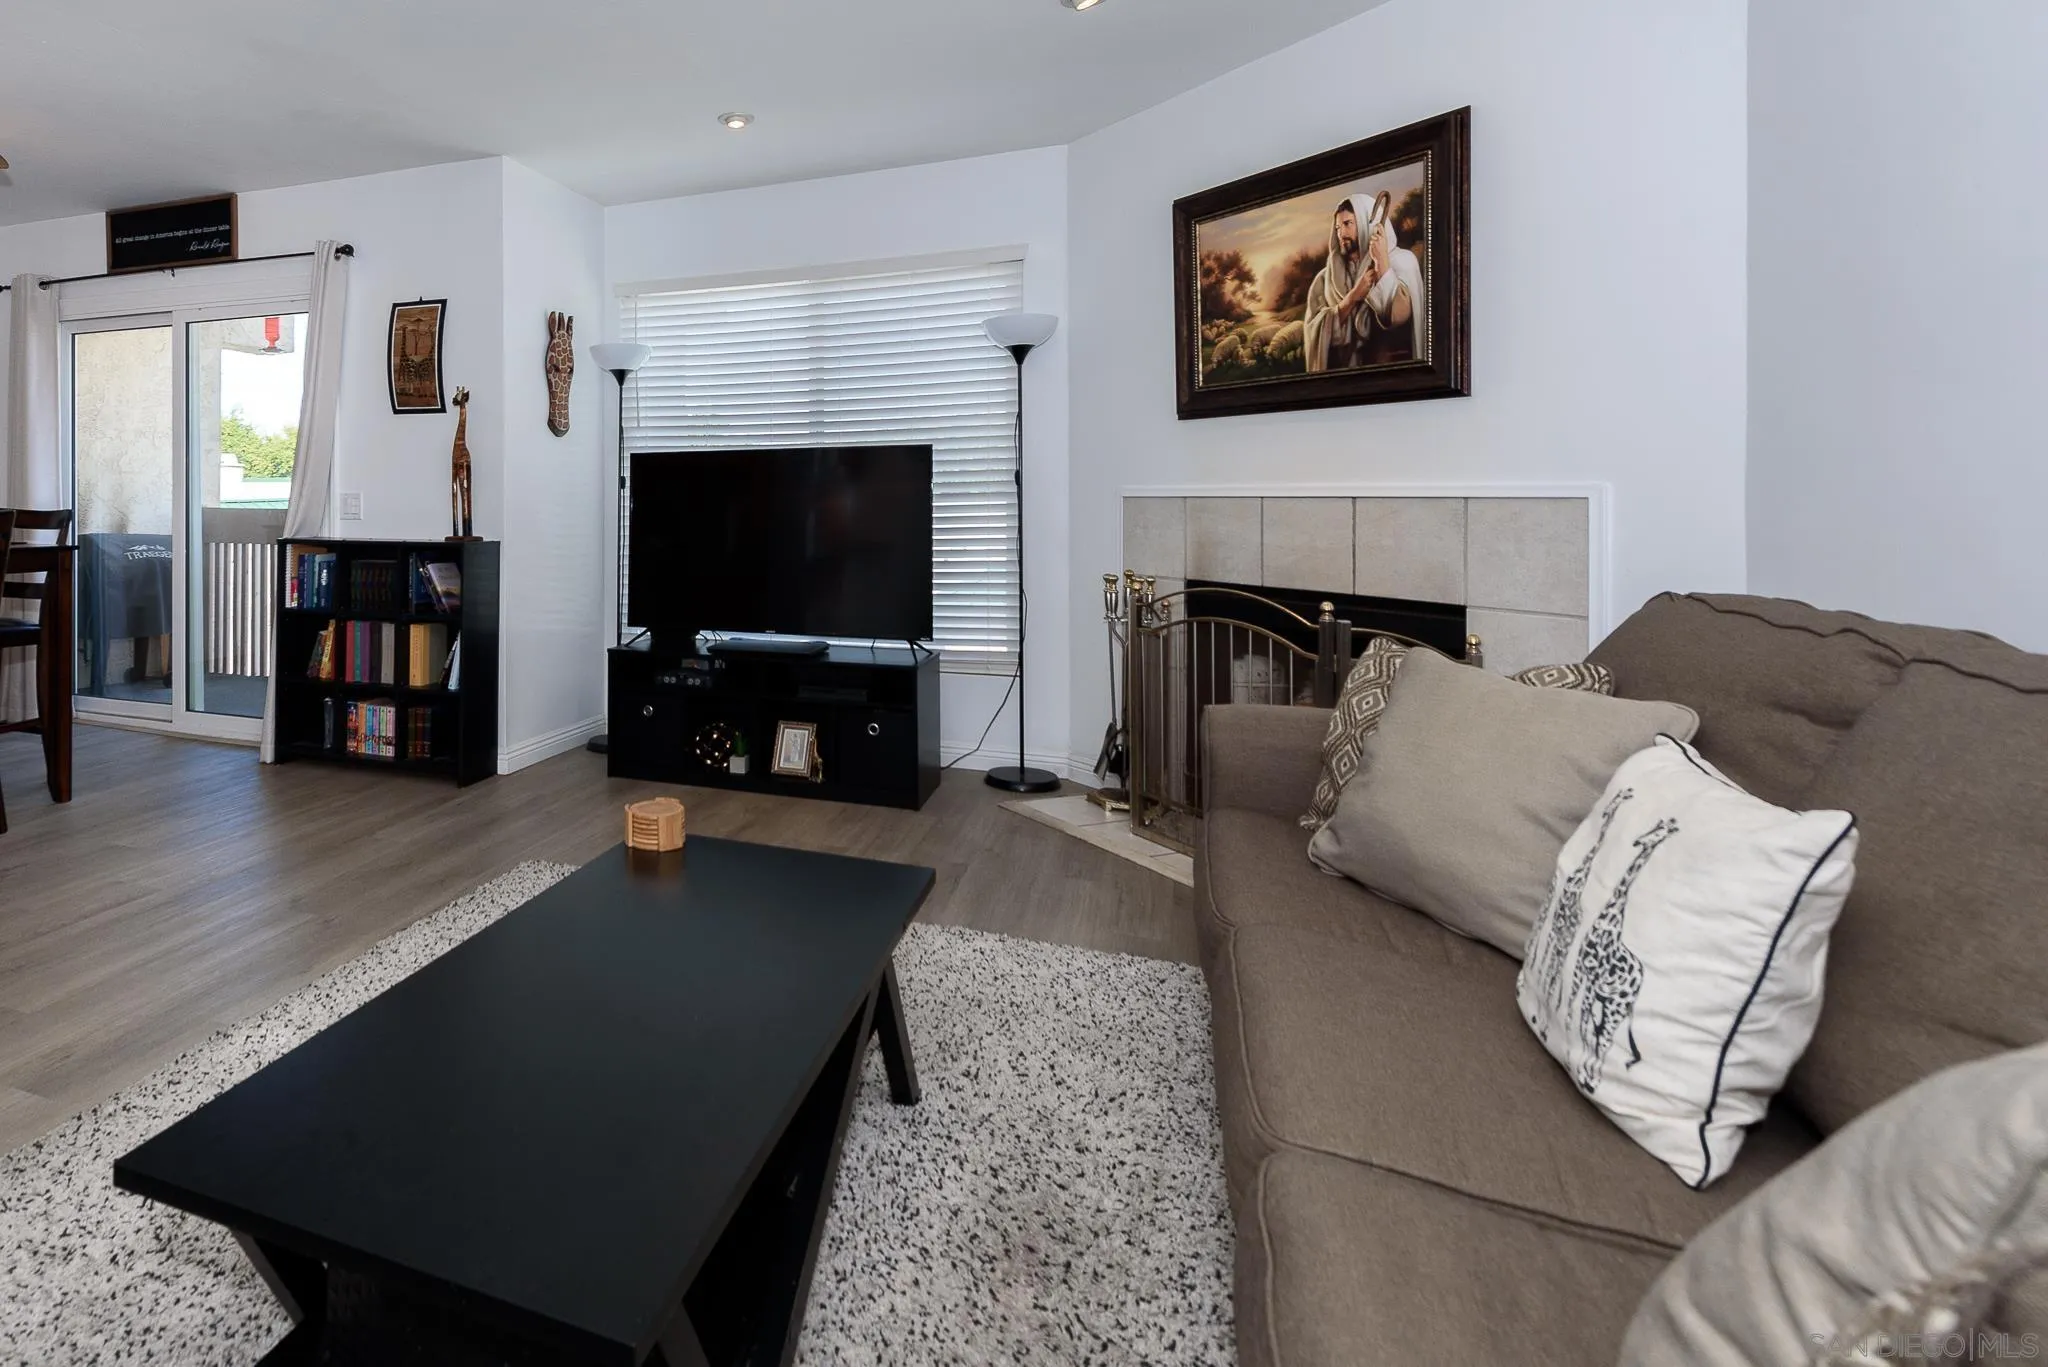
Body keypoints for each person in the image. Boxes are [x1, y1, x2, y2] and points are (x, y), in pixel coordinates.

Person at [1302, 190, 1428, 371]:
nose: (1341, 233)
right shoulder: (1324, 278)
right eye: (1338, 228)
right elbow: (1313, 329)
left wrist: (1382, 262)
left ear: (1365, 224)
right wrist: (1353, 297)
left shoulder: (1401, 261)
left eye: (1347, 224)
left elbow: (1398, 316)